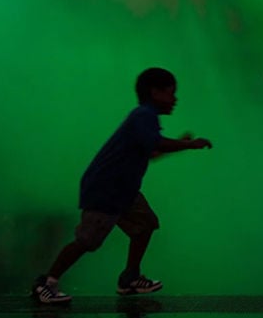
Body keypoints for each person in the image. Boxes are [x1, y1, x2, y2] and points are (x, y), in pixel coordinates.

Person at [33, 67, 212, 305]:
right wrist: (187, 145)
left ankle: (130, 277)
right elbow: (156, 144)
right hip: (107, 188)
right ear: (155, 92)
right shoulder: (143, 115)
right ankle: (46, 283)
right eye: (171, 93)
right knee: (88, 240)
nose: (174, 99)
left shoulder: (147, 118)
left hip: (123, 189)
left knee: (145, 224)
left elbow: (151, 151)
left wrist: (181, 144)